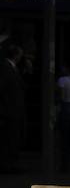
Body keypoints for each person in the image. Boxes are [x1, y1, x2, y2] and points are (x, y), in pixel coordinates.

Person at [1, 41, 28, 172]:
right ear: (16, 55)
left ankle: (10, 163)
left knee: (14, 137)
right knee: (10, 138)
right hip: (10, 111)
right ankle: (8, 165)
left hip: (13, 110)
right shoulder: (6, 68)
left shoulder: (13, 68)